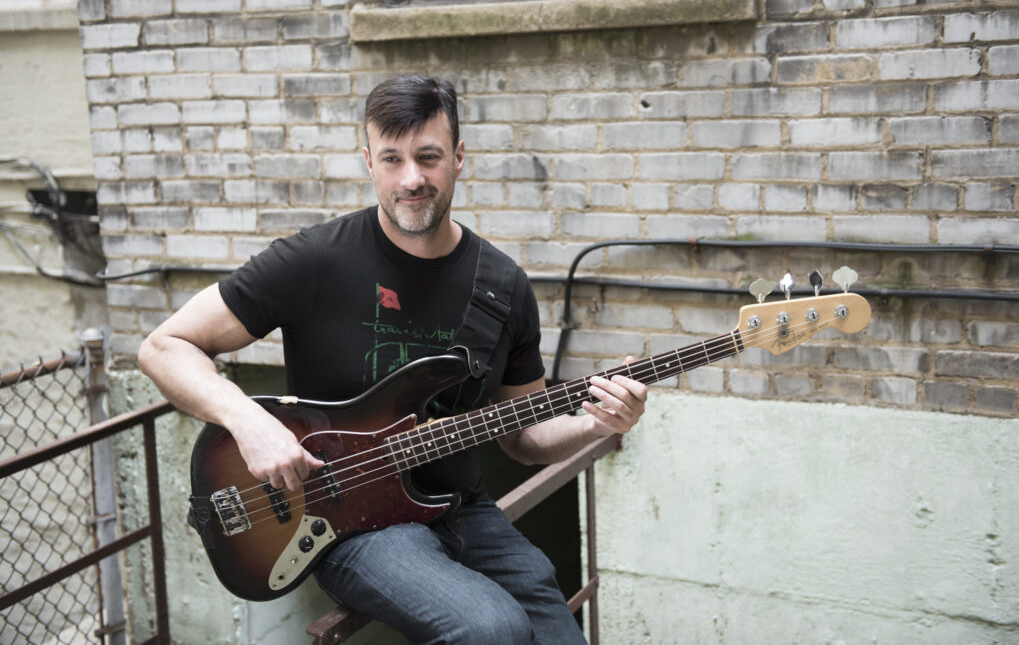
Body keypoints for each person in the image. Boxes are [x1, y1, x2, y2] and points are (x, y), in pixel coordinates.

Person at [138, 75, 647, 644]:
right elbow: (164, 347)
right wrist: (248, 422)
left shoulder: (503, 286)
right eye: (392, 159)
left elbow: (523, 437)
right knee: (491, 630)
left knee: (556, 634)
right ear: (369, 162)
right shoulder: (315, 261)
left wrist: (593, 424)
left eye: (428, 157)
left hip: (457, 508)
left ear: (458, 159)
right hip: (342, 521)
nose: (412, 179)